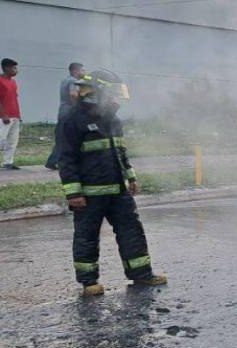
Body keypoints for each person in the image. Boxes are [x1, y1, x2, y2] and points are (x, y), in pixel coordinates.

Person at [57, 69, 167, 296]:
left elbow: (120, 151)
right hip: (89, 194)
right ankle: (89, 282)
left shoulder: (113, 120)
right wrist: (73, 193)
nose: (115, 100)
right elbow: (66, 159)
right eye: (112, 94)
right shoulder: (72, 120)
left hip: (119, 191)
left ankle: (141, 273)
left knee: (132, 231)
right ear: (98, 93)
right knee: (87, 236)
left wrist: (131, 176)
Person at [46, 62, 85, 170]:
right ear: (75, 71)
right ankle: (55, 161)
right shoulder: (73, 80)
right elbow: (73, 95)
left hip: (63, 112)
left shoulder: (65, 80)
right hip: (69, 113)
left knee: (62, 138)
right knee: (66, 139)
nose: (84, 72)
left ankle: (52, 161)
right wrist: (77, 107)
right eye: (82, 70)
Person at [0, 58, 22, 170]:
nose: (16, 70)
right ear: (6, 68)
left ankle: (8, 162)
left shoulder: (13, 82)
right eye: (14, 68)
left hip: (14, 115)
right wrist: (3, 115)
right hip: (4, 116)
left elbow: (14, 99)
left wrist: (19, 116)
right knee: (0, 139)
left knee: (12, 140)